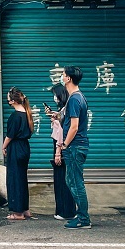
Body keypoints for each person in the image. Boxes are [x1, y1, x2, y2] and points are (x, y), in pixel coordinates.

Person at [60, 66, 92, 229]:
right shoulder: (79, 97)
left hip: (74, 146)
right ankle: (82, 216)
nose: (61, 77)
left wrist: (65, 144)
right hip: (78, 145)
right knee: (72, 180)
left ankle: (83, 218)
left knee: (75, 181)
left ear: (69, 78)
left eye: (63, 75)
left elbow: (74, 126)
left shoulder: (74, 99)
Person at [3, 87, 34, 220]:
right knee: (22, 178)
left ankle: (17, 212)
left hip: (15, 147)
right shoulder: (27, 113)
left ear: (12, 101)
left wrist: (4, 147)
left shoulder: (15, 116)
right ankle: (25, 209)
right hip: (25, 147)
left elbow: (10, 135)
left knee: (14, 179)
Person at [48, 83, 76, 221]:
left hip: (61, 147)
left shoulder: (64, 112)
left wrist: (58, 153)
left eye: (55, 95)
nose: (54, 98)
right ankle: (68, 210)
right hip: (64, 147)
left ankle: (65, 211)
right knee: (66, 180)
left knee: (62, 181)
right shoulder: (63, 110)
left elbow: (60, 134)